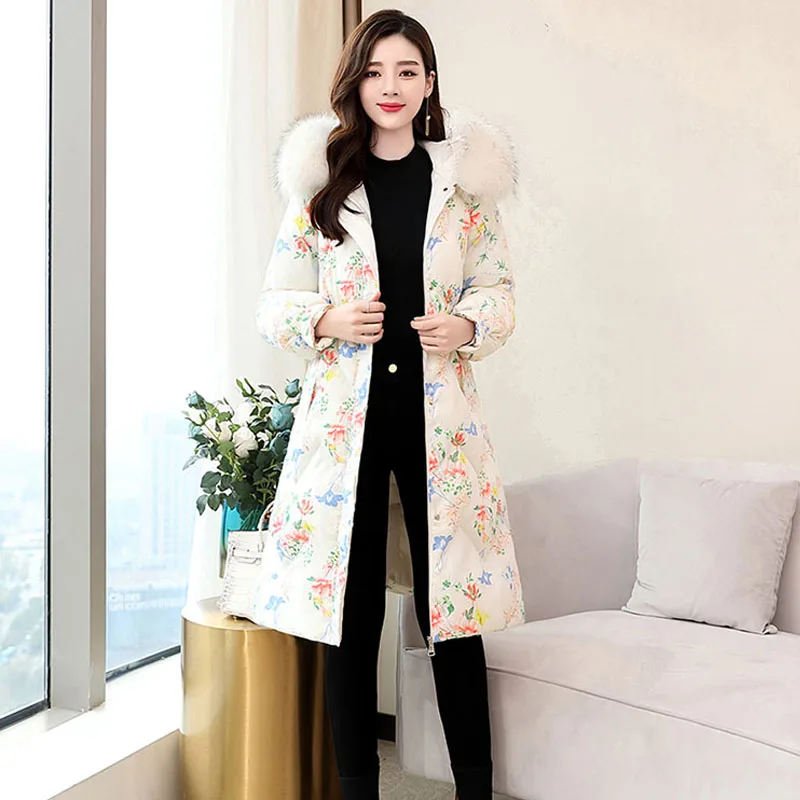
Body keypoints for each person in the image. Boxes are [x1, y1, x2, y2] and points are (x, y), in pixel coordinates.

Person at [253, 9, 526, 800]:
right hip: (350, 428)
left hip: (439, 424)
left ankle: (474, 788)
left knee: (454, 611)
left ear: (429, 83)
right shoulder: (323, 187)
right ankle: (357, 789)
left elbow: (499, 290)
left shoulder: (463, 192)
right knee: (351, 613)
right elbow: (274, 304)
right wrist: (326, 320)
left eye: (407, 71)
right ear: (356, 83)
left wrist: (468, 324)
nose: (391, 87)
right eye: (375, 72)